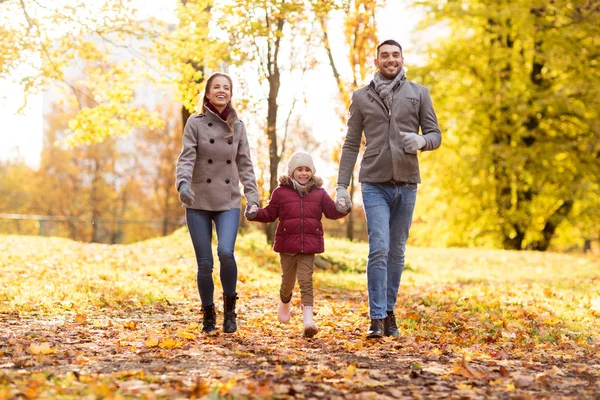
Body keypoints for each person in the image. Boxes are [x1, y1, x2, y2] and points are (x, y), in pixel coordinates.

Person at [335, 39, 442, 339]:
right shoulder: (361, 97)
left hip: (407, 183)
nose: (391, 60)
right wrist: (342, 185)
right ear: (377, 61)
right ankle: (376, 317)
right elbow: (351, 143)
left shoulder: (419, 93)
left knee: (396, 251)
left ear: (402, 59)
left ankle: (390, 310)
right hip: (373, 183)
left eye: (395, 55)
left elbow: (435, 134)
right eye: (385, 56)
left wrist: (422, 141)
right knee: (379, 247)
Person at [175, 72, 259, 334]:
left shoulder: (239, 127)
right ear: (208, 93)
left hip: (228, 200)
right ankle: (208, 313)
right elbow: (186, 157)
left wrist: (253, 197)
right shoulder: (195, 123)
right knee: (204, 263)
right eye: (216, 87)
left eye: (226, 87)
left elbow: (245, 163)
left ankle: (230, 310)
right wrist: (183, 184)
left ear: (230, 94)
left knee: (226, 252)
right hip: (198, 199)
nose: (222, 91)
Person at [246, 151, 349, 338]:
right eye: (299, 169)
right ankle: (285, 301)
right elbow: (269, 214)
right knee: (288, 281)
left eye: (307, 170)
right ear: (292, 171)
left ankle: (308, 322)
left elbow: (332, 212)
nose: (303, 173)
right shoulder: (280, 193)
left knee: (305, 281)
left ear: (312, 172)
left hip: (309, 245)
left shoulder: (319, 193)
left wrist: (343, 207)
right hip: (287, 244)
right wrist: (255, 213)